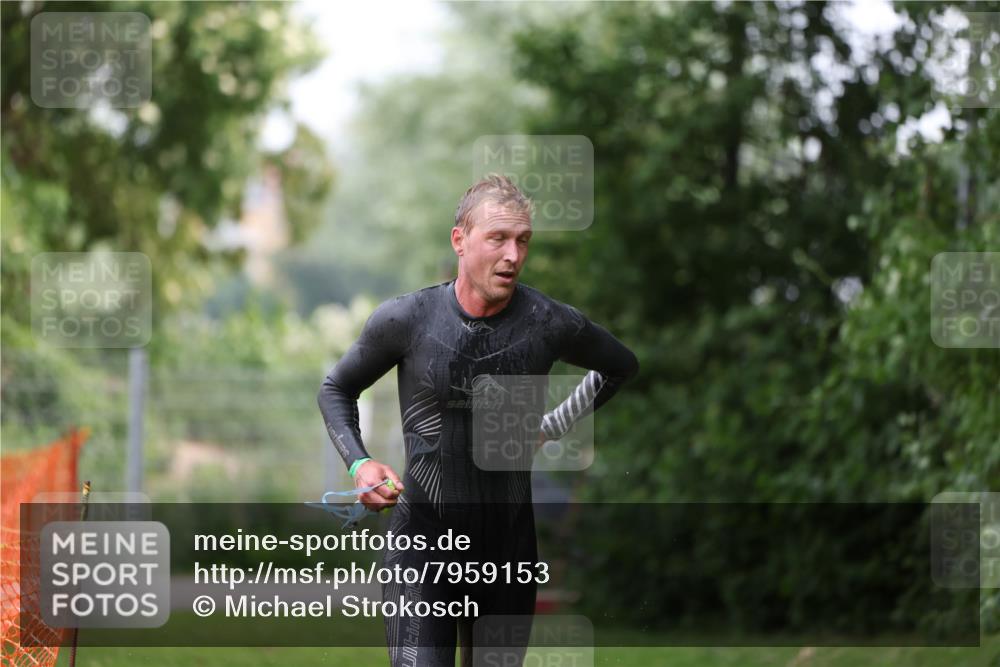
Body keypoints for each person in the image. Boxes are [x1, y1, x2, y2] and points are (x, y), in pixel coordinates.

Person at [317, 173, 639, 667]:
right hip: (423, 547)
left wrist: (550, 426)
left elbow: (619, 366)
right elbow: (336, 388)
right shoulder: (407, 319)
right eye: (498, 238)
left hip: (508, 552)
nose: (513, 255)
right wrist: (360, 464)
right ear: (460, 240)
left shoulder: (548, 323)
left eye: (523, 241)